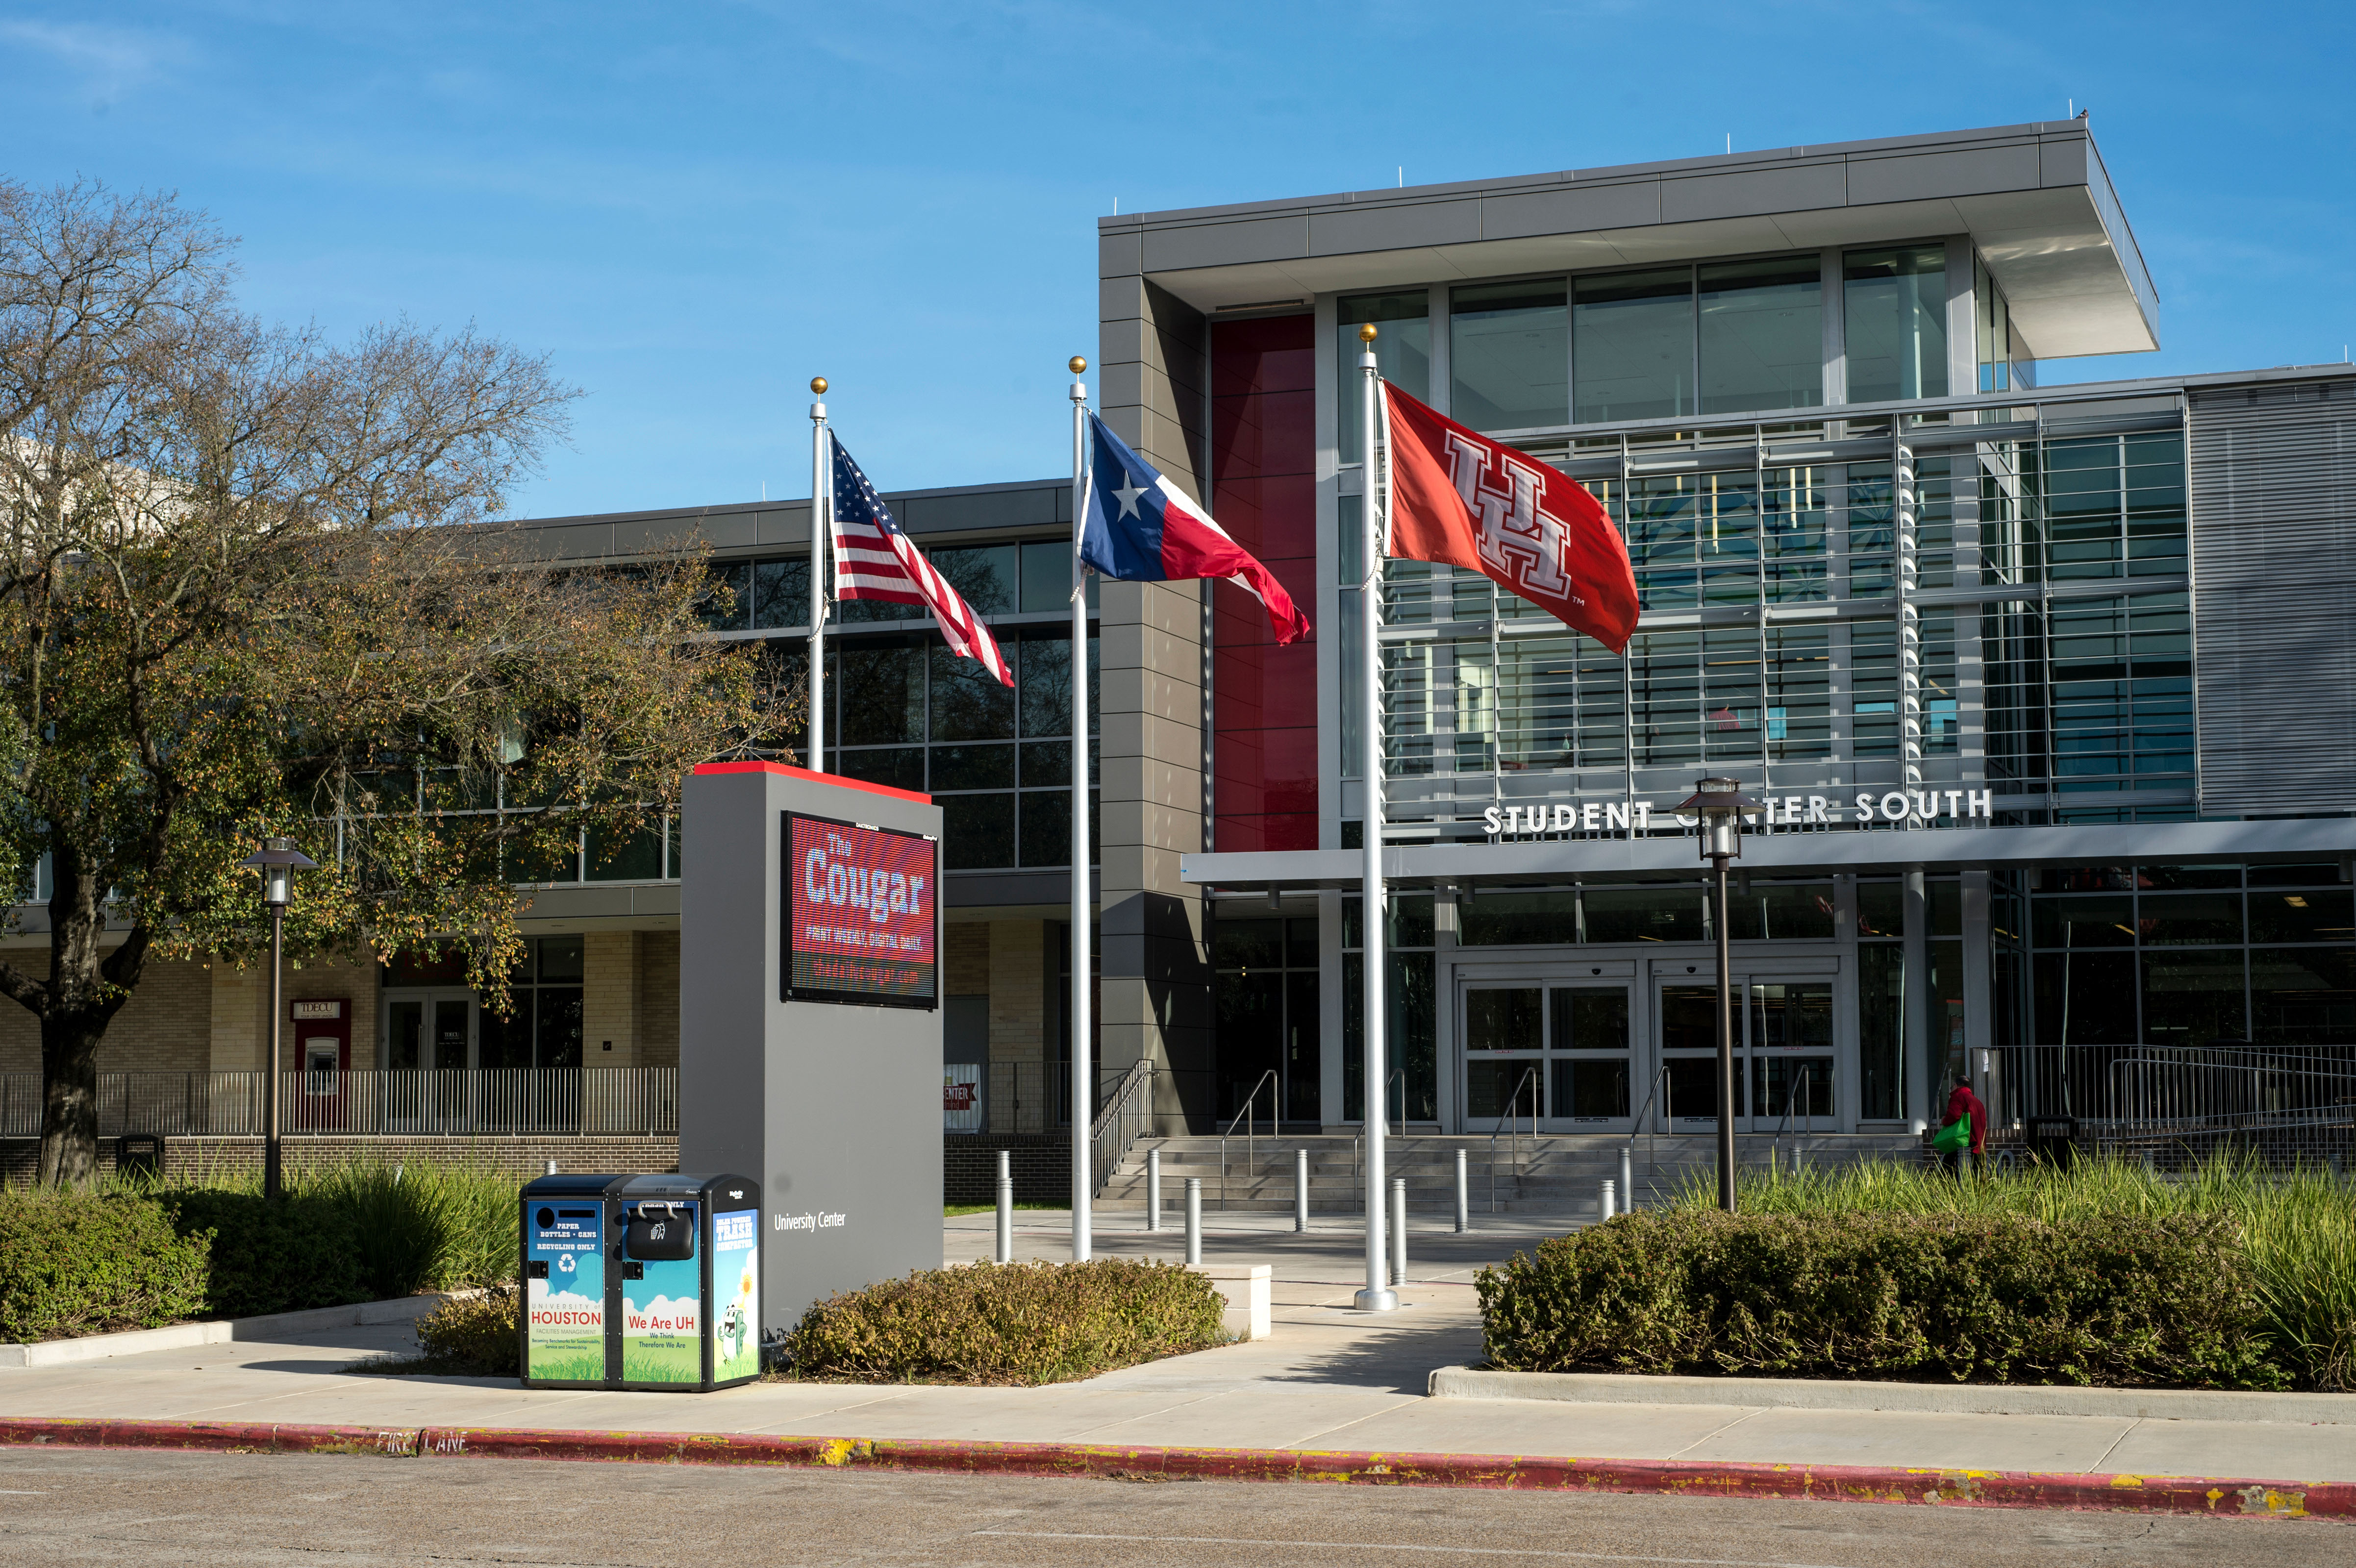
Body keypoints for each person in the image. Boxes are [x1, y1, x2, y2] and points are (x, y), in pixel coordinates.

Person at [1941, 1071, 1988, 1176]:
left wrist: (1944, 1120)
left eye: (1952, 1087)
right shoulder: (1976, 1101)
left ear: (1956, 1086)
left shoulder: (1958, 1096)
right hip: (1978, 1141)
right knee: (1976, 1170)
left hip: (1964, 1138)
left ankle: (1944, 1189)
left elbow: (1954, 1115)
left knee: (1947, 1167)